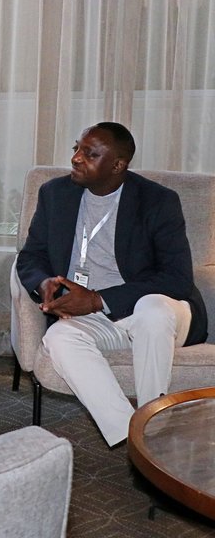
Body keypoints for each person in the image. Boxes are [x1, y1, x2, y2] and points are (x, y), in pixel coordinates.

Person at [16, 122, 207, 447]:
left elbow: (177, 279)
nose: (76, 158)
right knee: (59, 337)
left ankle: (153, 418)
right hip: (92, 317)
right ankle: (137, 437)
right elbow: (30, 256)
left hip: (159, 312)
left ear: (118, 165)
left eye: (89, 154)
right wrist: (45, 283)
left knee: (152, 310)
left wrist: (97, 299)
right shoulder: (55, 194)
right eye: (76, 148)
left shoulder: (157, 201)